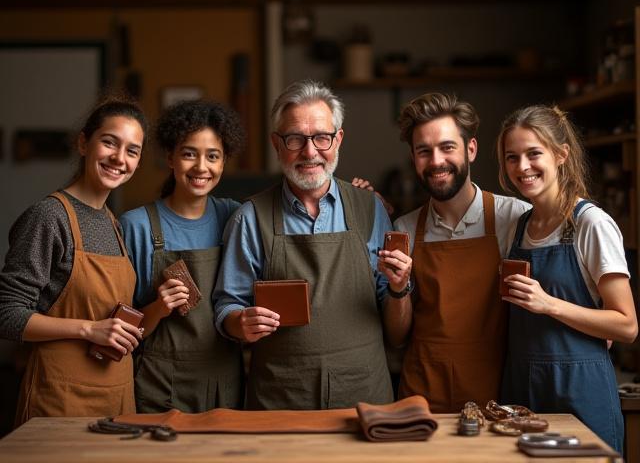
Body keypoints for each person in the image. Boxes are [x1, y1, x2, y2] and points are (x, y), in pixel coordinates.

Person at [213, 79, 412, 410]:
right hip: (281, 400)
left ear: (339, 140)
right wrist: (240, 322)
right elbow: (227, 306)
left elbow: (397, 332)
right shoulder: (249, 218)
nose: (310, 152)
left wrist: (400, 287)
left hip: (363, 398)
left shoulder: (370, 208)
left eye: (322, 137)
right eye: (295, 139)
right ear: (277, 144)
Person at [496, 104, 638, 452]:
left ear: (561, 155)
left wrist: (549, 305)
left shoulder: (592, 224)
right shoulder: (518, 226)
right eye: (512, 157)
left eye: (533, 154)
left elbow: (626, 326)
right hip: (523, 391)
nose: (522, 167)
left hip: (580, 391)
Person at [0, 96, 147, 425]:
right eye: (109, 142)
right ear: (84, 143)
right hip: (60, 399)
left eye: (132, 150)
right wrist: (89, 330)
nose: (119, 158)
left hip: (117, 397)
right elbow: (6, 314)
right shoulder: (49, 216)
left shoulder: (112, 222)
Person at [392, 93, 531, 413]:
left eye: (447, 147)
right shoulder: (405, 228)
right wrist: (399, 287)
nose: (436, 160)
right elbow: (397, 337)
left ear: (471, 149)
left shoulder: (514, 218)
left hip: (497, 395)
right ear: (414, 158)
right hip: (422, 395)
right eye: (424, 151)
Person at [119, 99, 245, 413]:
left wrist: (360, 196)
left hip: (224, 383)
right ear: (170, 158)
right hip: (158, 384)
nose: (201, 167)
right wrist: (159, 307)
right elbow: (119, 329)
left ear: (224, 161)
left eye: (213, 156)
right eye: (189, 153)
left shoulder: (237, 217)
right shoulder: (137, 225)